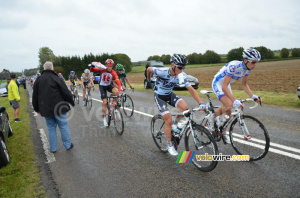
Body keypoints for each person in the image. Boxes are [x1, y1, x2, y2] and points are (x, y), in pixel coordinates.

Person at [147, 54, 206, 156]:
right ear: (172, 65)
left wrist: (200, 103)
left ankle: (175, 123)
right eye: (179, 67)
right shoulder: (162, 71)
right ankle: (169, 145)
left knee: (185, 108)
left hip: (169, 95)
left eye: (183, 67)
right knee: (168, 120)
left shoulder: (181, 76)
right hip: (160, 96)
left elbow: (191, 89)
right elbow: (149, 69)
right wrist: (149, 81)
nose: (181, 70)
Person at [209, 48, 263, 144]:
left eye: (256, 63)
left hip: (226, 84)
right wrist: (234, 100)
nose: (255, 65)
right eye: (253, 62)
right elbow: (224, 86)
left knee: (229, 111)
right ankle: (211, 117)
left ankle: (223, 132)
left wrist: (252, 96)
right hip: (218, 83)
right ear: (245, 60)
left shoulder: (247, 69)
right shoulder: (233, 66)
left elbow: (244, 84)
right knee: (229, 104)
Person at [32, 61, 75, 153]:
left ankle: (53, 148)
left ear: (44, 69)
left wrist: (36, 108)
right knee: (63, 126)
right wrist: (71, 102)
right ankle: (67, 145)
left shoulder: (38, 80)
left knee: (51, 128)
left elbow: (35, 95)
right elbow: (65, 92)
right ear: (52, 69)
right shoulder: (57, 78)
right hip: (59, 107)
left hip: (46, 108)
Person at [89, 59, 123, 127]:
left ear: (112, 66)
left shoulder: (113, 72)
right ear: (106, 65)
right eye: (108, 66)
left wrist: (120, 90)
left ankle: (115, 106)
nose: (109, 68)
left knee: (116, 92)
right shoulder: (102, 69)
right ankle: (104, 118)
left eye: (111, 66)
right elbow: (92, 69)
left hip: (109, 86)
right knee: (105, 102)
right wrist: (92, 66)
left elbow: (118, 82)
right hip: (102, 87)